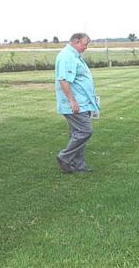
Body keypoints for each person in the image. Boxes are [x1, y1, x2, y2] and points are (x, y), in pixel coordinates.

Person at [55, 33, 100, 174]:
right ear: (76, 42)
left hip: (83, 102)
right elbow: (63, 80)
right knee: (85, 131)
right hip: (75, 103)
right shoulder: (67, 57)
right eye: (85, 44)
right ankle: (64, 157)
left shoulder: (74, 56)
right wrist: (72, 100)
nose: (86, 47)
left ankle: (78, 164)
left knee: (76, 133)